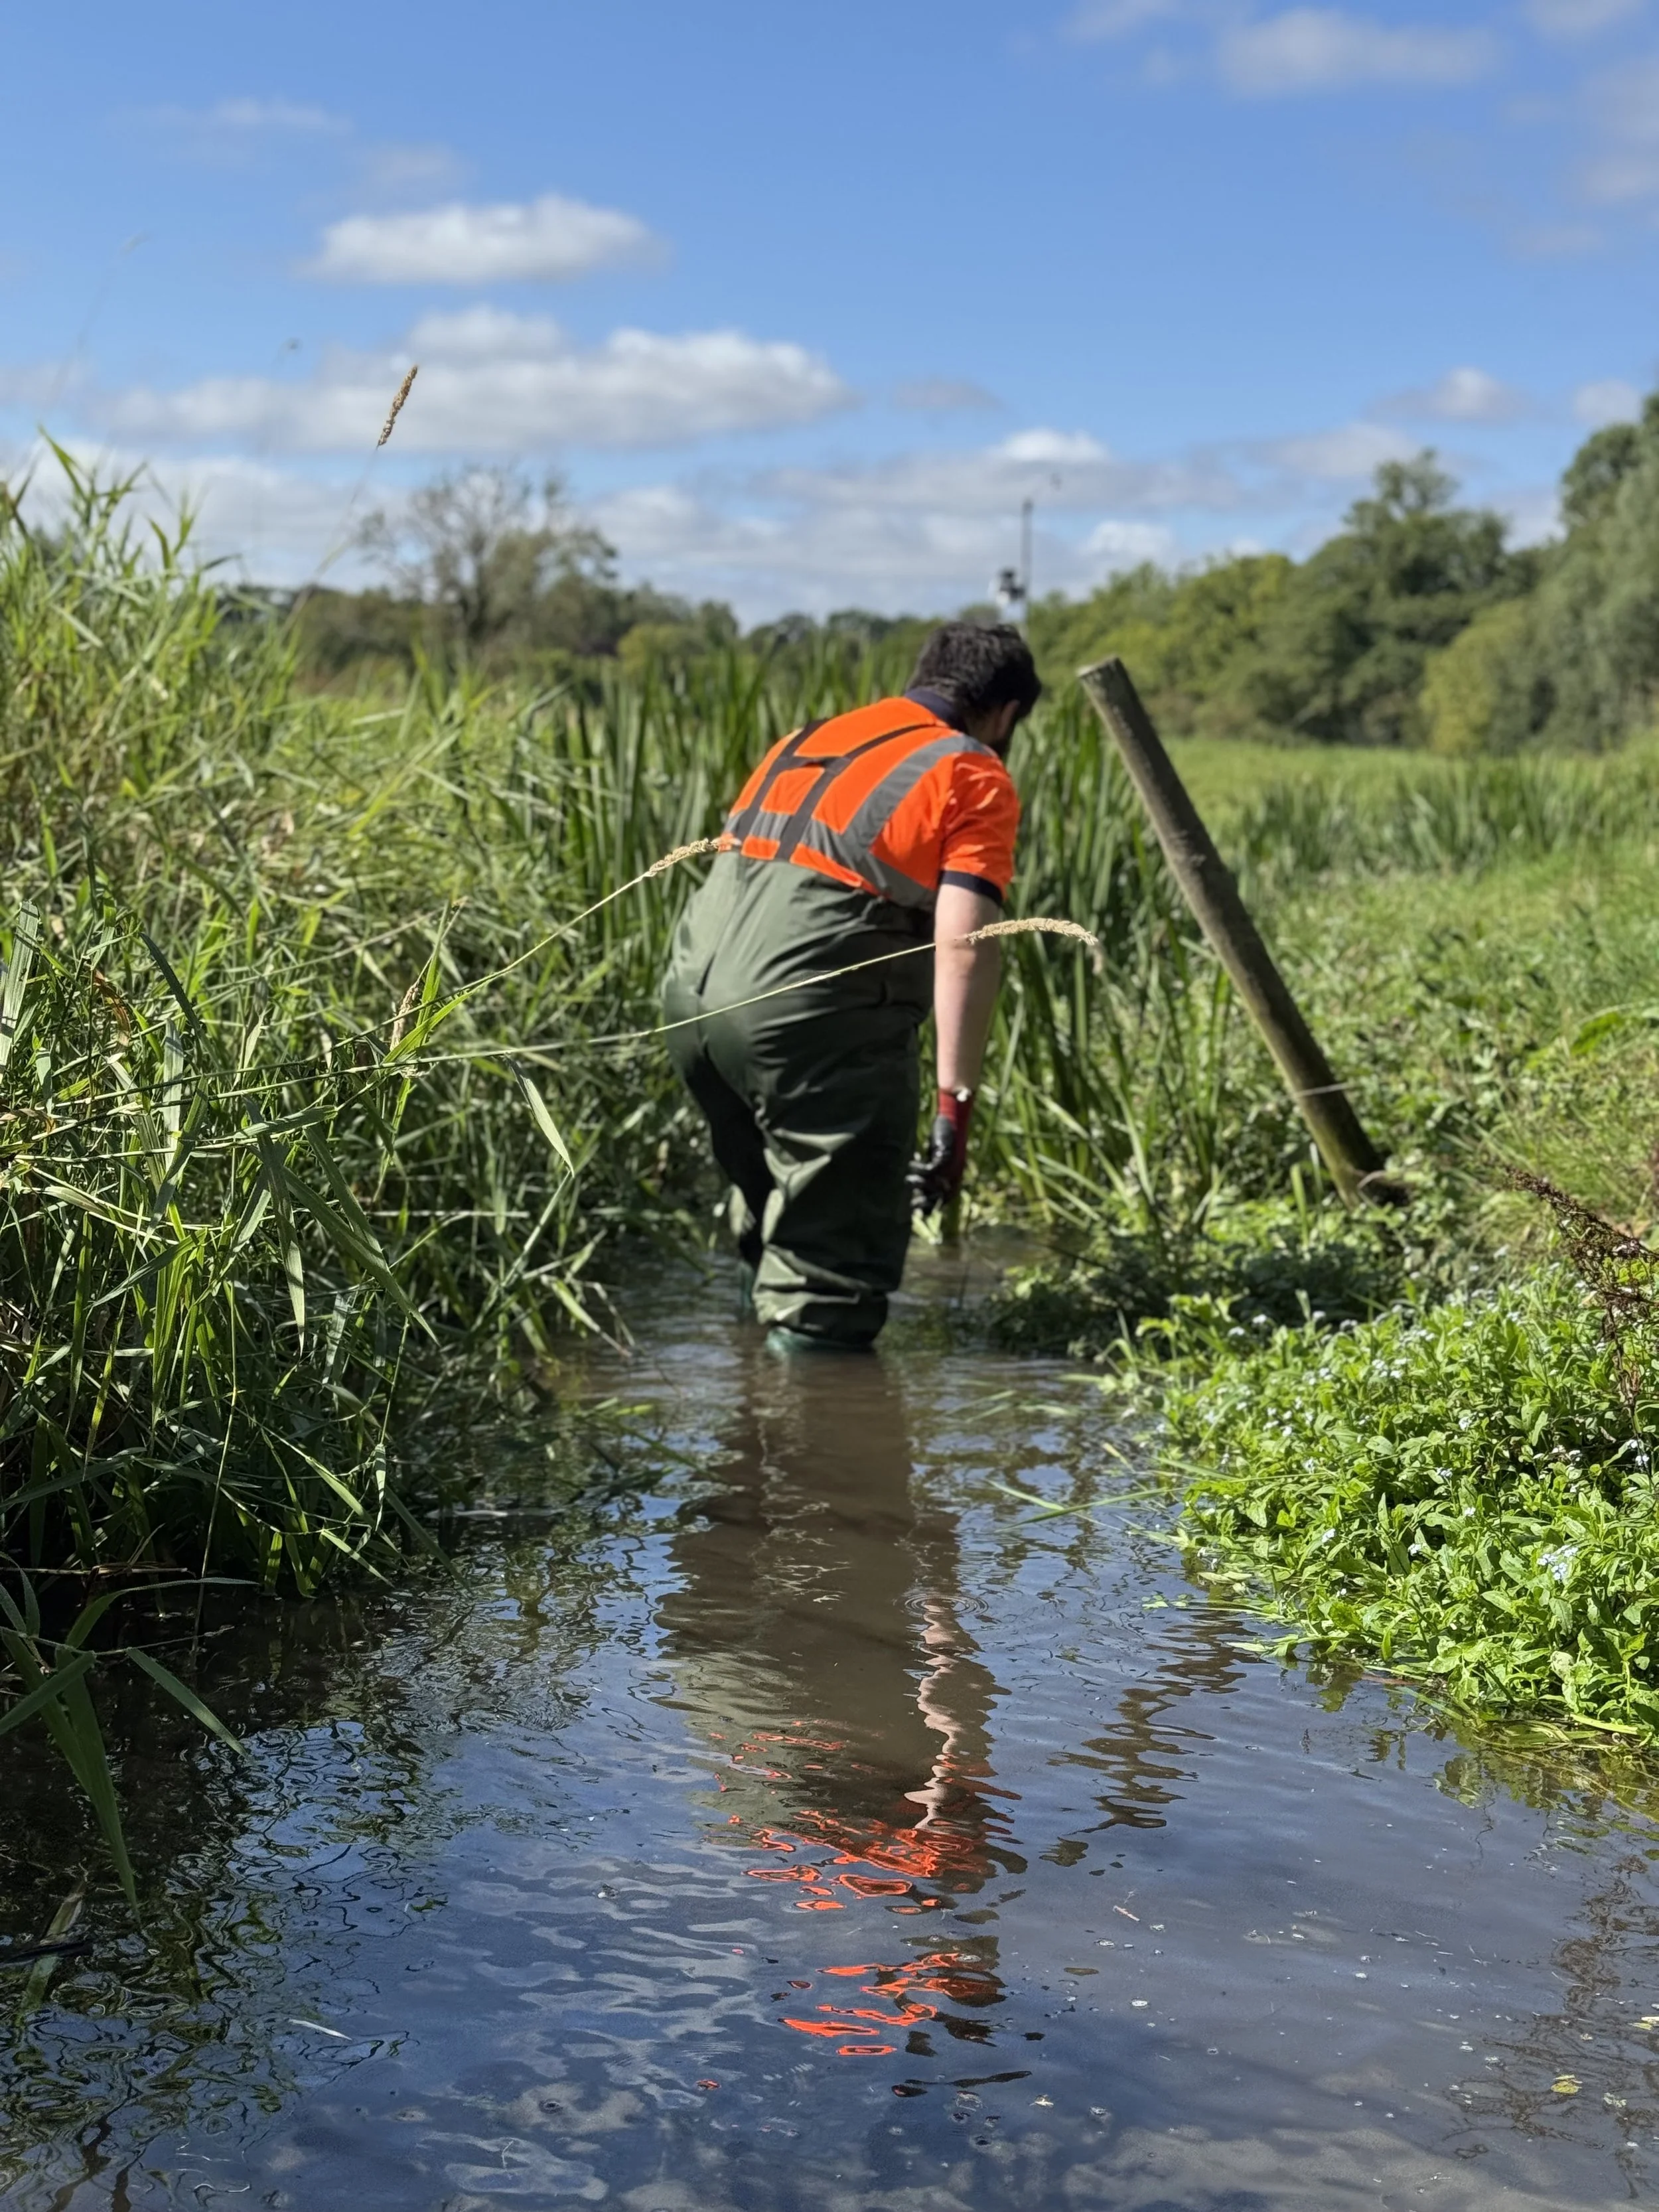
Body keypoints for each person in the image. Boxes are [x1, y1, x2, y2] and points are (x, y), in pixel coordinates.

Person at [664, 621, 1041, 1348]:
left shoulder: (807, 739)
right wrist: (953, 1109)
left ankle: (749, 1431)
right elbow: (965, 945)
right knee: (830, 1270)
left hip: (690, 1002)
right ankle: (820, 1449)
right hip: (801, 1013)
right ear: (1005, 713)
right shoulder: (970, 770)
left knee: (770, 1217)